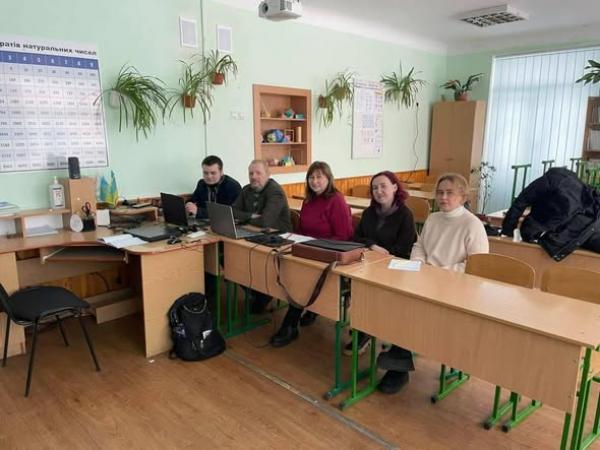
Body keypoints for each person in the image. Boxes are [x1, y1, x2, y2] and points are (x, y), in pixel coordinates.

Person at [376, 172, 489, 394]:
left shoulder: (472, 225)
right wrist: (419, 264)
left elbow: (477, 266)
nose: (443, 197)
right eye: (440, 193)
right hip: (426, 279)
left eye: (449, 193)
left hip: (455, 287)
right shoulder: (434, 218)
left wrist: (439, 273)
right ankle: (399, 355)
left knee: (411, 310)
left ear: (463, 196)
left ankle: (398, 365)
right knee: (397, 300)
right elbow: (419, 246)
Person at [270, 161, 353, 347]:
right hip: (309, 251)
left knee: (303, 278)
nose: (315, 181)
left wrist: (316, 247)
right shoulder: (308, 201)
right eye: (311, 177)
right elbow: (302, 230)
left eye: (319, 177)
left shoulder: (336, 200)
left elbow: (343, 236)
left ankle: (290, 326)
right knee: (287, 266)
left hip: (330, 254)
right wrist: (294, 241)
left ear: (328, 179)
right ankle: (308, 307)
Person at [347, 171, 417, 384]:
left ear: (395, 187)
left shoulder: (405, 215)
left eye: (383, 186)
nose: (378, 191)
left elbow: (405, 249)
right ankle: (365, 330)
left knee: (392, 305)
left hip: (395, 270)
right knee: (358, 289)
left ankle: (396, 352)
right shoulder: (370, 213)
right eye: (375, 188)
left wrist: (381, 253)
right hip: (370, 266)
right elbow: (356, 237)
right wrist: (373, 246)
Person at [501, 167, 600, 261]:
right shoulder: (576, 182)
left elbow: (521, 202)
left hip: (559, 232)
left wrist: (508, 230)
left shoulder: (547, 180)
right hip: (586, 224)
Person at [232, 160, 292, 313]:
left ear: (268, 174)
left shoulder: (275, 191)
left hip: (279, 239)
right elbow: (232, 211)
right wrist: (251, 216)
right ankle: (259, 294)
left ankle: (263, 294)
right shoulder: (246, 189)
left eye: (258, 173)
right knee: (230, 258)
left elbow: (265, 221)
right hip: (256, 234)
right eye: (251, 173)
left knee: (248, 258)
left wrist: (245, 217)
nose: (254, 177)